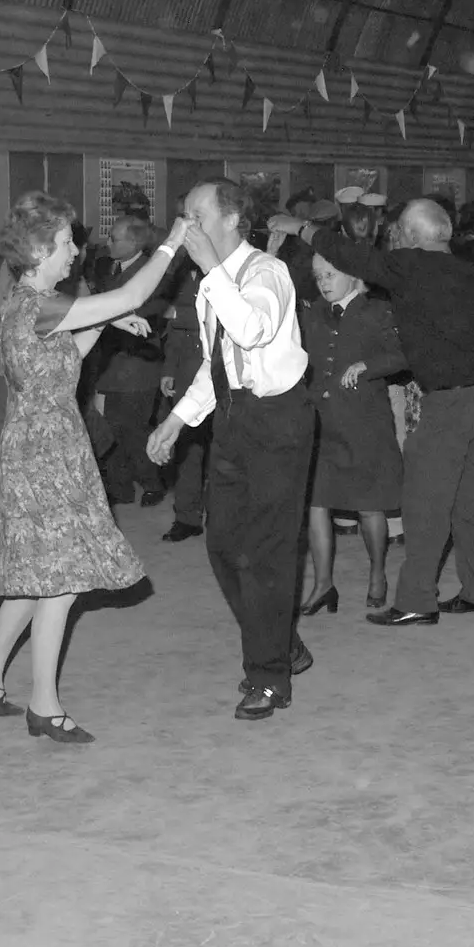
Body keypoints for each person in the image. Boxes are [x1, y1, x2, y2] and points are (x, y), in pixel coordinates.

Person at [0, 193, 178, 742]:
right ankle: (45, 705)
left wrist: (105, 325)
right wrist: (172, 241)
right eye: (65, 243)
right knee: (59, 580)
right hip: (44, 451)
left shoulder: (24, 304)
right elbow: (130, 290)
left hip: (41, 442)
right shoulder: (41, 306)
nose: (75, 252)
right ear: (38, 251)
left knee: (38, 573)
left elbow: (62, 360)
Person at [279, 199, 474, 625]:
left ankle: (417, 599)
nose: (394, 236)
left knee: (423, 500)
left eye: (400, 229)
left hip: (451, 399)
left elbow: (352, 256)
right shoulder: (463, 267)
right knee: (468, 500)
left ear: (415, 235)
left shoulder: (414, 266)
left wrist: (299, 226)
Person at [148, 179, 312, 721]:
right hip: (233, 417)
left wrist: (212, 274)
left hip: (277, 420)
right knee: (222, 544)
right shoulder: (209, 284)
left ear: (233, 219)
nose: (186, 226)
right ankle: (280, 642)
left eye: (196, 215)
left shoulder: (268, 272)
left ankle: (269, 676)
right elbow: (217, 367)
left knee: (265, 551)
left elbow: (252, 331)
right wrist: (175, 421)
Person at [299, 254, 406, 615]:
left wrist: (367, 365)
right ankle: (323, 584)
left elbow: (403, 354)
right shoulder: (312, 311)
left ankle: (378, 575)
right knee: (316, 504)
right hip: (321, 421)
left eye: (331, 275)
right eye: (318, 276)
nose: (324, 282)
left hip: (364, 422)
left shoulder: (376, 311)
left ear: (353, 274)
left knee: (369, 505)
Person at [93, 217, 173, 508]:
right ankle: (121, 487)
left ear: (134, 243)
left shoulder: (149, 272)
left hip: (137, 364)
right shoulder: (112, 268)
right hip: (115, 365)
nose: (108, 243)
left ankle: (152, 482)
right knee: (112, 427)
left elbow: (146, 312)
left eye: (114, 238)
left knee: (133, 429)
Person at [158, 255, 208, 543]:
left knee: (221, 451)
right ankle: (187, 517)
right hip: (188, 370)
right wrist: (169, 369)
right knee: (188, 448)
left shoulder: (230, 264)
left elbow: (221, 318)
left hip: (220, 371)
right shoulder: (184, 270)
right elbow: (177, 333)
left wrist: (176, 314)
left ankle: (222, 513)